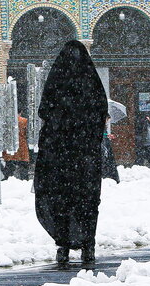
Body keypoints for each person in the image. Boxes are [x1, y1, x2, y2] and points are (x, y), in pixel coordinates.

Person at [34, 40, 108, 269]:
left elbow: (44, 111)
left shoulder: (57, 81)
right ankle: (88, 244)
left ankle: (63, 245)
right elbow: (101, 114)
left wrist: (62, 125)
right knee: (86, 201)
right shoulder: (91, 82)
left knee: (62, 200)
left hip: (60, 155)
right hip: (84, 155)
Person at [3, 114, 30, 179]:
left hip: (10, 150)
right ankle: (24, 180)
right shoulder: (24, 121)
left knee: (9, 171)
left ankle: (8, 179)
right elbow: (27, 135)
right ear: (20, 112)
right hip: (22, 149)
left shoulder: (7, 121)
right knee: (24, 171)